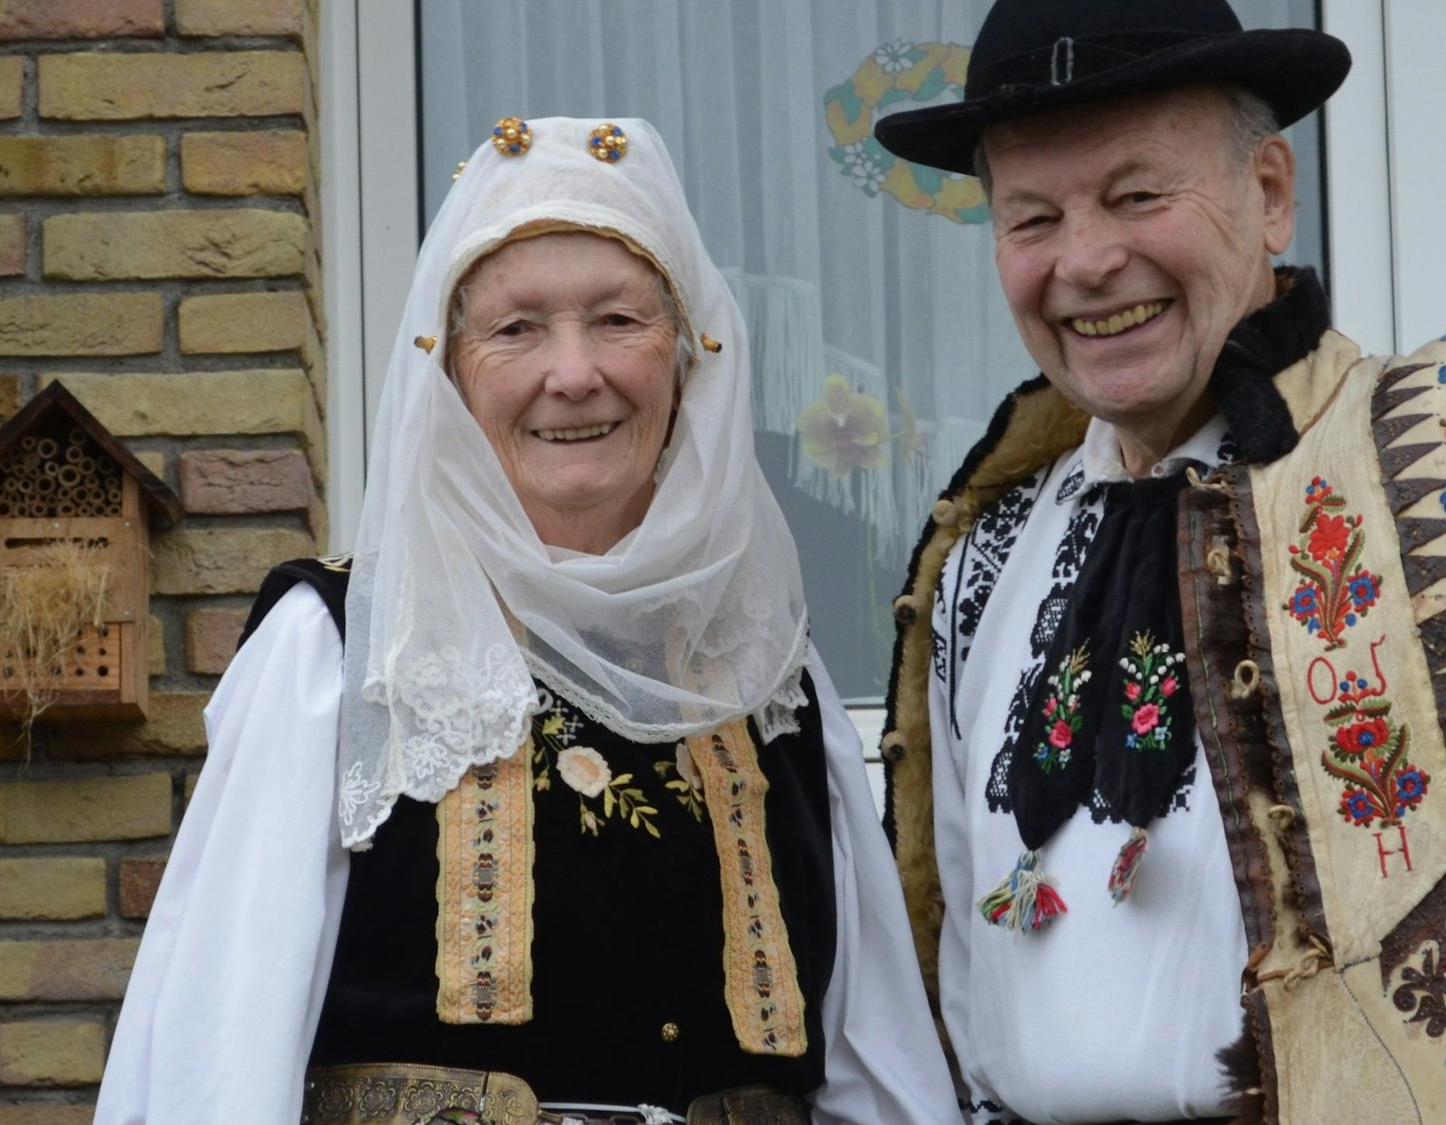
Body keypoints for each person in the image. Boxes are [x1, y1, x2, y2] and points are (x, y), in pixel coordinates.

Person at [871, 2, 1446, 1123]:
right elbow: (950, 991)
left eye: (1135, 195)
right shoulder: (978, 557)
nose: (1084, 261)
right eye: (1031, 219)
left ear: (1269, 193)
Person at [95, 117, 956, 1125]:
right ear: (449, 371)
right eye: (516, 329)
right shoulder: (340, 646)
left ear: (687, 363)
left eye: (620, 321)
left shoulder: (767, 674)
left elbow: (876, 1069)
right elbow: (220, 1045)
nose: (575, 372)